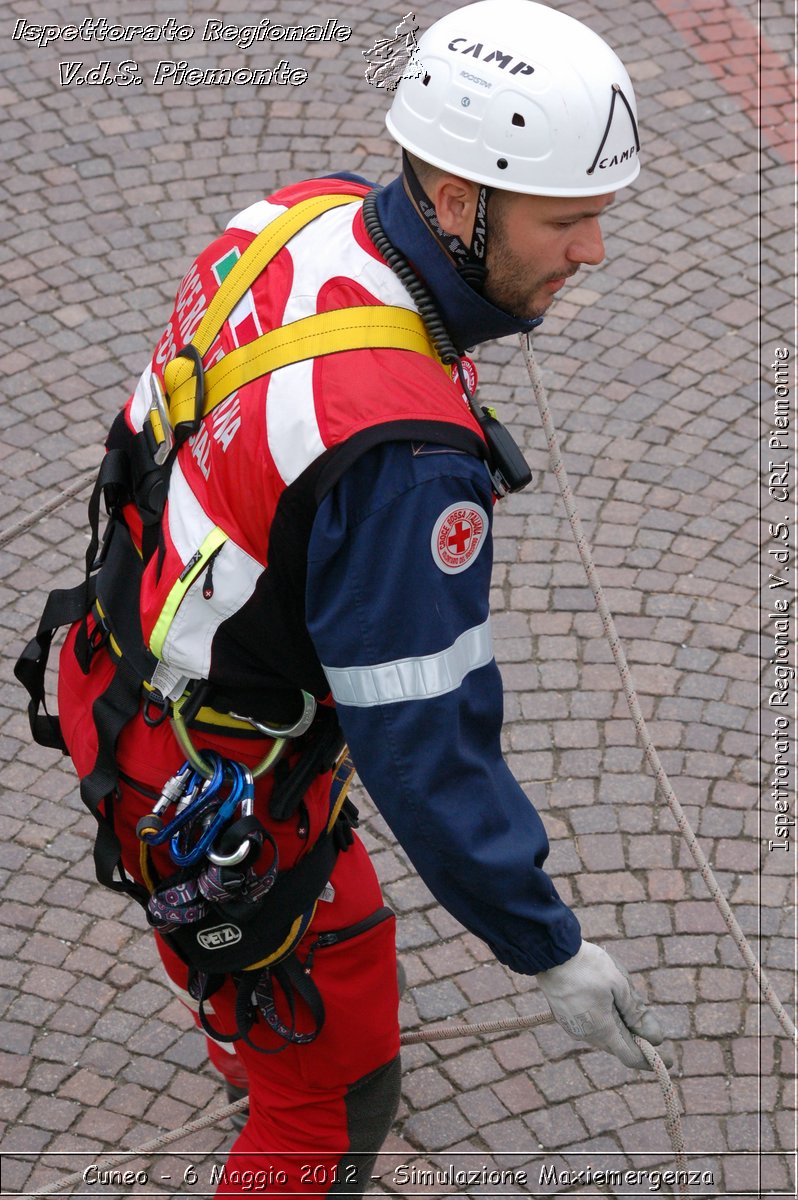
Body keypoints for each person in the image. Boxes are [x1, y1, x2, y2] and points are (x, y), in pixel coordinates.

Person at [17, 1, 669, 1194]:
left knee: (221, 952)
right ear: (463, 201)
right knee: (334, 1100)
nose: (594, 252)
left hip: (115, 680)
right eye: (568, 220)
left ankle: (239, 1029)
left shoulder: (296, 217)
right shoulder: (406, 461)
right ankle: (282, 1072)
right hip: (230, 795)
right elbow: (426, 747)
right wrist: (546, 947)